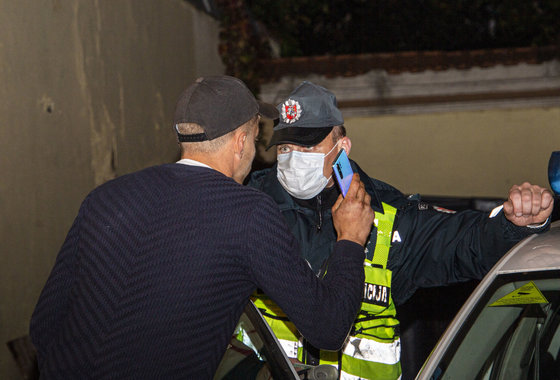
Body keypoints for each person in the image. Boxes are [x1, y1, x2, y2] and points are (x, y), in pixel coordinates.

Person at [29, 76, 376, 379]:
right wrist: (350, 240)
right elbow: (328, 328)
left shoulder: (104, 197)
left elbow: (44, 324)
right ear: (241, 142)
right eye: (256, 140)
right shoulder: (248, 213)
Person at [247, 81, 554, 380]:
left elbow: (466, 244)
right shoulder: (248, 207)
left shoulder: (389, 214)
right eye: (285, 146)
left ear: (342, 148)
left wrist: (518, 223)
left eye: (308, 145)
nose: (293, 157)